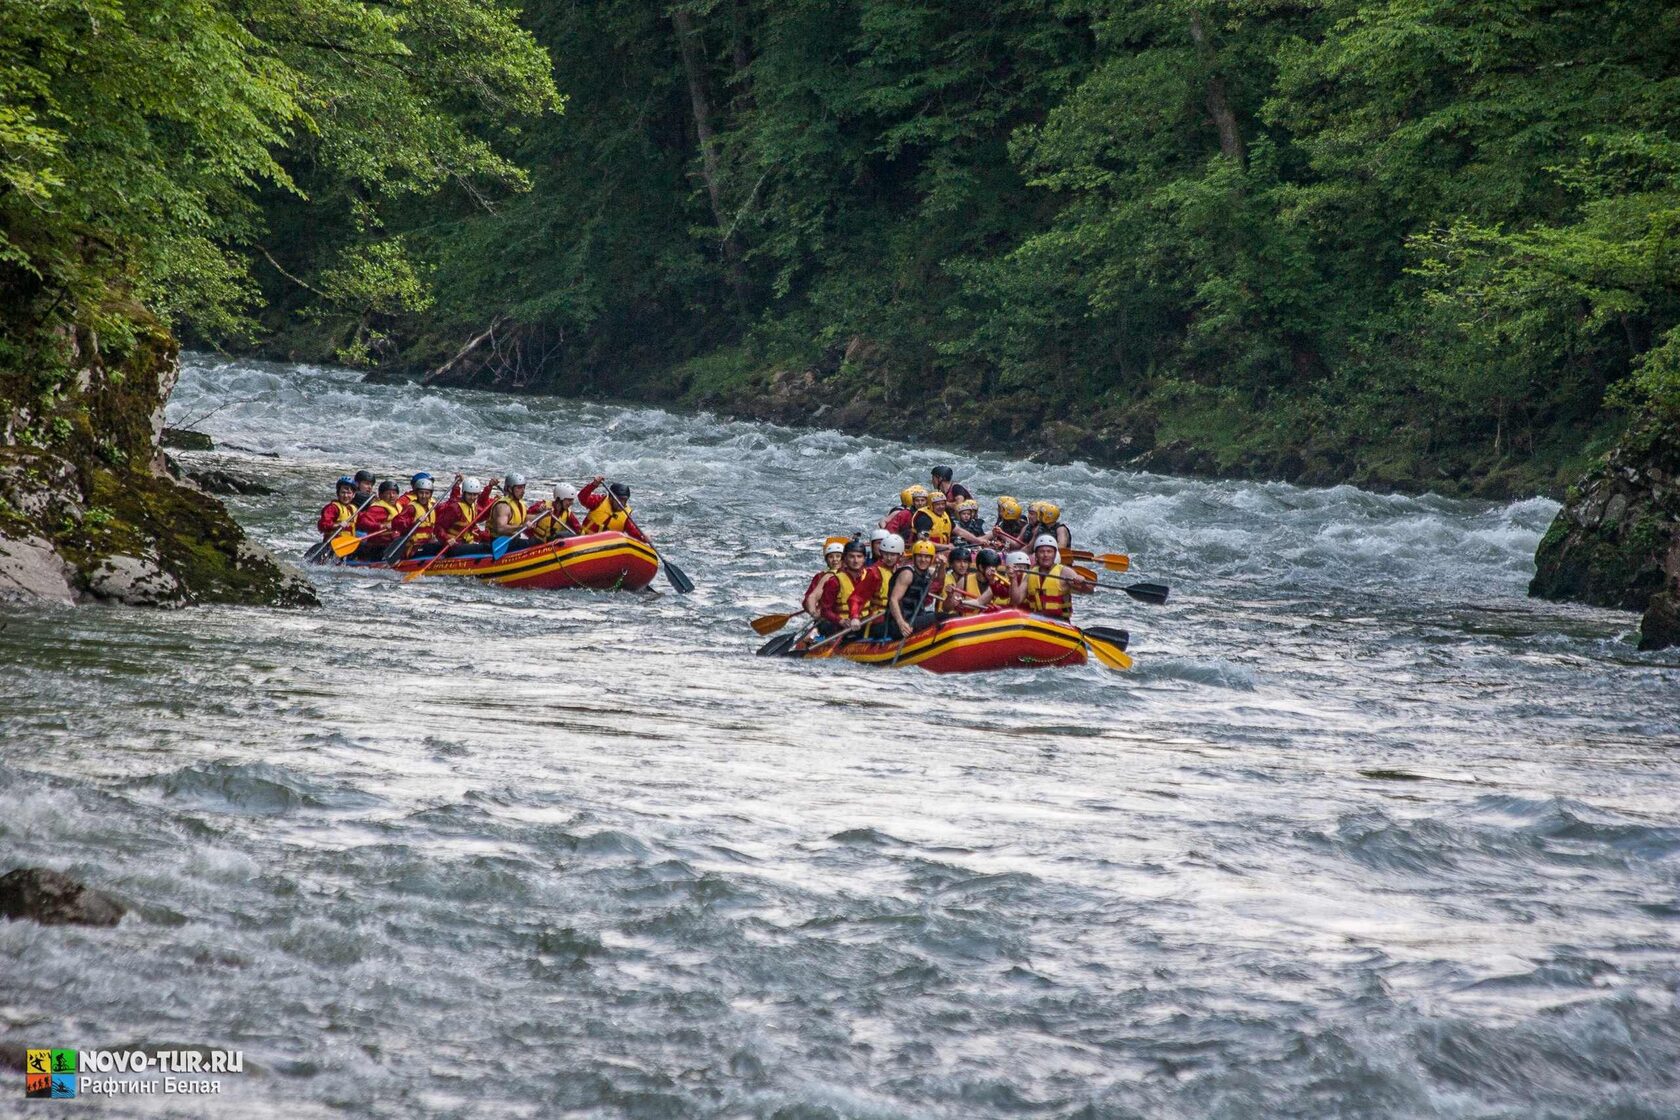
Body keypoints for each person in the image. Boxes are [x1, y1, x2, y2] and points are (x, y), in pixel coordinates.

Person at [1011, 534, 1093, 620]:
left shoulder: (1065, 572)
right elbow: (1016, 600)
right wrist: (1013, 579)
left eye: (1049, 551)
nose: (1045, 555)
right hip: (1036, 620)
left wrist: (1083, 583)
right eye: (1041, 552)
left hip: (1059, 621)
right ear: (1036, 555)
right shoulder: (1030, 574)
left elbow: (1089, 591)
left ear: (1054, 555)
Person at [814, 540, 872, 638]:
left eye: (859, 556)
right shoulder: (834, 581)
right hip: (843, 625)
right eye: (851, 556)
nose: (855, 560)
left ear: (864, 559)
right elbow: (825, 610)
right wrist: (841, 621)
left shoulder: (871, 576)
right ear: (845, 559)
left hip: (866, 621)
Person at [886, 540, 943, 640]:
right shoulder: (907, 574)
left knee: (940, 615)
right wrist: (901, 623)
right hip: (902, 623)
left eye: (927, 557)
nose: (923, 560)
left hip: (915, 617)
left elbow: (940, 579)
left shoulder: (928, 572)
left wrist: (942, 565)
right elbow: (893, 600)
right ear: (914, 557)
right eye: (919, 556)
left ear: (932, 559)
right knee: (944, 617)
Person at [426, 476, 489, 555]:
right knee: (484, 547)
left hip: (465, 543)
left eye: (475, 495)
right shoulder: (455, 508)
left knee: (487, 541)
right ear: (464, 493)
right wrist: (447, 539)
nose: (472, 497)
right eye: (469, 494)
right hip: (452, 546)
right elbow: (438, 527)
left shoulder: (473, 507)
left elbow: (472, 528)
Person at [578, 477, 650, 542]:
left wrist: (643, 537)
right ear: (611, 498)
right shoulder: (599, 501)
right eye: (619, 499)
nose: (621, 503)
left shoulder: (626, 516)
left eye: (624, 500)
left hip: (607, 547)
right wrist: (594, 485)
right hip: (586, 540)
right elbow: (582, 497)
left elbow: (633, 532)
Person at [388, 474, 438, 556]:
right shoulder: (411, 508)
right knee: (435, 547)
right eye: (421, 493)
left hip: (427, 542)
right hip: (414, 547)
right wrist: (414, 522)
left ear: (430, 495)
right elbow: (396, 523)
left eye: (427, 493)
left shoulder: (432, 506)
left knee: (442, 545)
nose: (424, 496)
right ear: (416, 493)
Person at [353, 480, 404, 559]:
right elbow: (363, 522)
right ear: (381, 495)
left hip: (394, 542)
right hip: (379, 546)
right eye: (388, 493)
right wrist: (381, 526)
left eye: (394, 493)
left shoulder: (399, 506)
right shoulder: (378, 509)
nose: (392, 496)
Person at [802, 538, 849, 620]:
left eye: (838, 556)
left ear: (844, 558)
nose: (835, 559)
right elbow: (810, 598)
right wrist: (814, 612)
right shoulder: (822, 577)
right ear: (827, 560)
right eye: (831, 557)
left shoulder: (853, 573)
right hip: (828, 617)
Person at [936, 546, 985, 615]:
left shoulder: (971, 579)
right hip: (945, 616)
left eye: (965, 562)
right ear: (952, 564)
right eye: (958, 562)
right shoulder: (945, 578)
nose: (962, 565)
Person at [485, 473, 529, 540]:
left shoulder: (520, 504)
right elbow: (500, 528)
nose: (523, 491)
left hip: (512, 539)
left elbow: (527, 517)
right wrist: (521, 527)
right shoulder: (503, 506)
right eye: (519, 488)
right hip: (498, 542)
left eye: (523, 487)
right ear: (510, 489)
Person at [317, 476, 360, 541]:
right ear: (338, 493)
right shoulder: (332, 508)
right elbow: (322, 525)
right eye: (343, 492)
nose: (345, 496)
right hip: (332, 545)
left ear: (353, 495)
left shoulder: (354, 508)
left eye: (349, 493)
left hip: (348, 544)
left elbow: (364, 522)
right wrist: (337, 525)